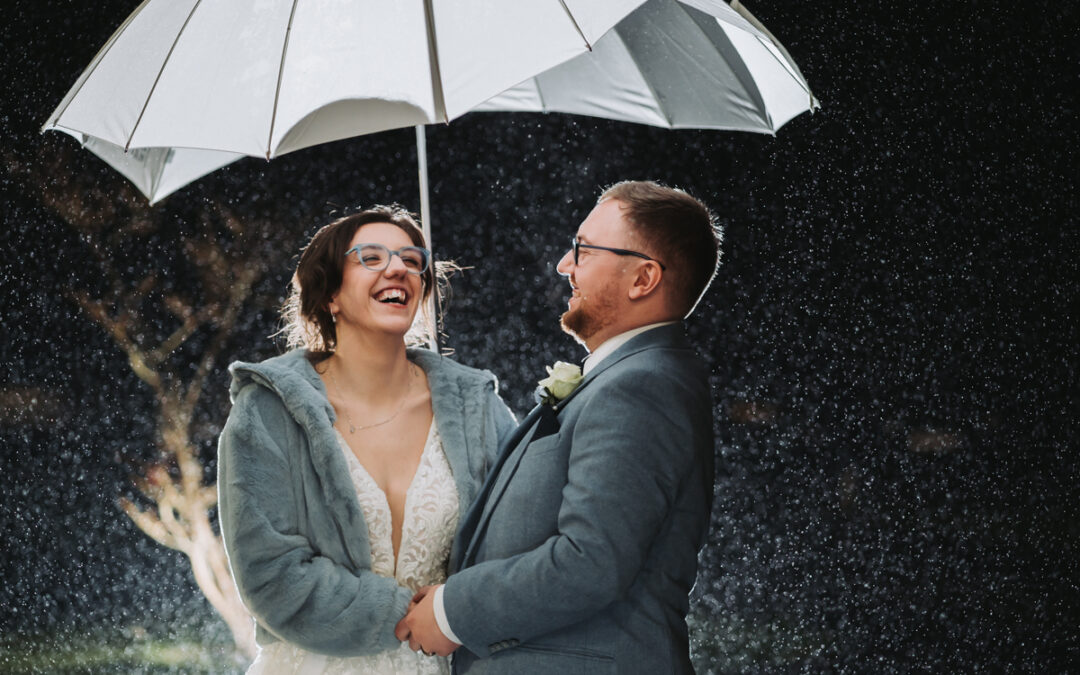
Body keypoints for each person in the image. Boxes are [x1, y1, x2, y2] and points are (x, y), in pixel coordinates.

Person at [395, 180, 721, 674]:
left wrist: (452, 612)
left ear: (643, 279)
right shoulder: (625, 378)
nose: (564, 266)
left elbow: (590, 562)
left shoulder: (643, 387)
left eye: (583, 250)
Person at [217, 205, 516, 674]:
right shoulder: (268, 413)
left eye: (412, 260)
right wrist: (414, 617)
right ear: (331, 294)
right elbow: (270, 576)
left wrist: (461, 611)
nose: (398, 267)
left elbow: (516, 543)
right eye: (371, 258)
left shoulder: (479, 410)